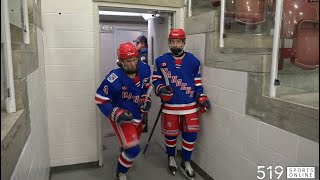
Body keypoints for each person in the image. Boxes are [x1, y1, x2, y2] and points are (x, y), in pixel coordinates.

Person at [152, 28, 211, 179]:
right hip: (170, 107)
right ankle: (171, 157)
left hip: (190, 107)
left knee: (190, 135)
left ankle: (186, 161)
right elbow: (156, 80)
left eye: (178, 42)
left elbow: (197, 84)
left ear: (184, 42)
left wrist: (201, 97)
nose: (175, 45)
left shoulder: (193, 61)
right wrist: (161, 89)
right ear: (169, 42)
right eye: (172, 42)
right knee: (171, 136)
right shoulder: (160, 61)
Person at [95, 42, 152, 180]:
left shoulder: (145, 69)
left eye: (134, 60)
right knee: (133, 149)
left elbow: (145, 88)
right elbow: (100, 98)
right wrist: (116, 113)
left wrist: (146, 100)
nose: (132, 64)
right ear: (120, 61)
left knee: (131, 144)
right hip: (122, 117)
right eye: (128, 61)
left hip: (138, 115)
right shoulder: (114, 78)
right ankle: (121, 172)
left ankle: (124, 151)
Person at [133, 35, 149, 132]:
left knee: (144, 103)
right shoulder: (138, 53)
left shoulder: (144, 54)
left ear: (143, 44)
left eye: (137, 43)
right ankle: (143, 122)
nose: (136, 45)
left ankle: (145, 124)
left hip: (143, 83)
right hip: (139, 82)